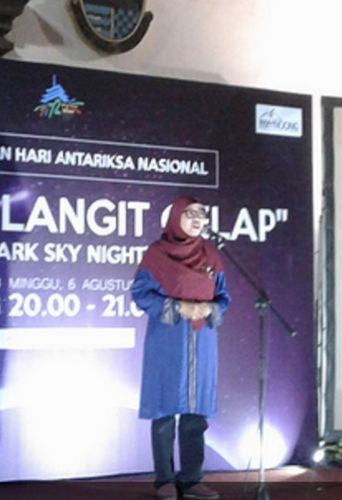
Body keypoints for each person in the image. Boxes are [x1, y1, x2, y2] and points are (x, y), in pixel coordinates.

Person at [132, 196, 231, 500]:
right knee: (164, 411)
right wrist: (178, 307)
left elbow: (224, 297)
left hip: (202, 342)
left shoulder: (211, 255)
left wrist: (210, 309)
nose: (197, 219)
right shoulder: (157, 254)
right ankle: (164, 479)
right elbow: (141, 294)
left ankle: (191, 479)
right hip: (167, 340)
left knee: (195, 413)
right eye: (190, 214)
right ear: (176, 217)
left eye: (201, 214)